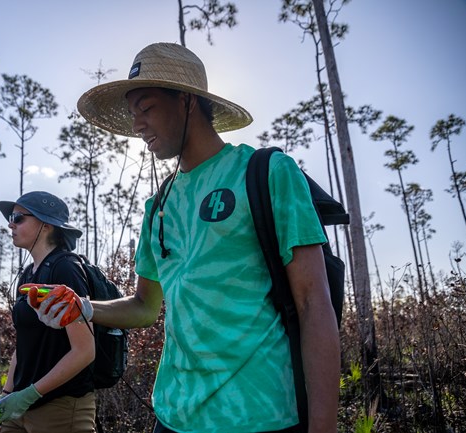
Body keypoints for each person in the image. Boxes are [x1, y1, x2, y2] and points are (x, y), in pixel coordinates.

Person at [36, 43, 340, 433]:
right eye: (132, 115)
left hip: (257, 415)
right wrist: (83, 306)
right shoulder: (158, 204)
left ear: (187, 101)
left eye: (146, 109)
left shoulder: (266, 173)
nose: (137, 125)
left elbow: (314, 304)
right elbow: (146, 306)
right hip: (172, 414)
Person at [0, 191, 96, 433]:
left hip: (60, 408)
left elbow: (85, 351)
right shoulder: (27, 275)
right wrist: (6, 395)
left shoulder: (66, 268)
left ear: (46, 225)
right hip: (18, 406)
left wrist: (30, 394)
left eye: (18, 217)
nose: (10, 223)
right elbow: (23, 344)